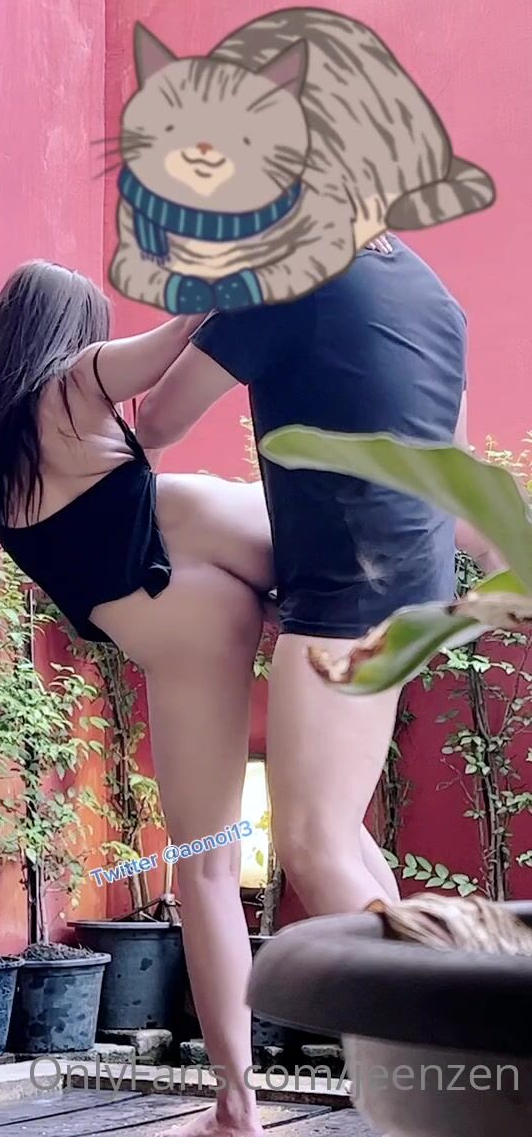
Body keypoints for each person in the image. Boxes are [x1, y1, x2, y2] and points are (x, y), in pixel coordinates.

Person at [0, 260, 274, 1137]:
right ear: (69, 336)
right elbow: (174, 338)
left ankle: (237, 1104)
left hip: (172, 644)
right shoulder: (74, 382)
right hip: (196, 541)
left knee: (205, 868)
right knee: (374, 542)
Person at [136, 233, 497, 927]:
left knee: (314, 843)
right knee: (341, 834)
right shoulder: (430, 292)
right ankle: (400, 995)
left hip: (348, 591)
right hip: (410, 586)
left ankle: (417, 999)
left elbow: (158, 416)